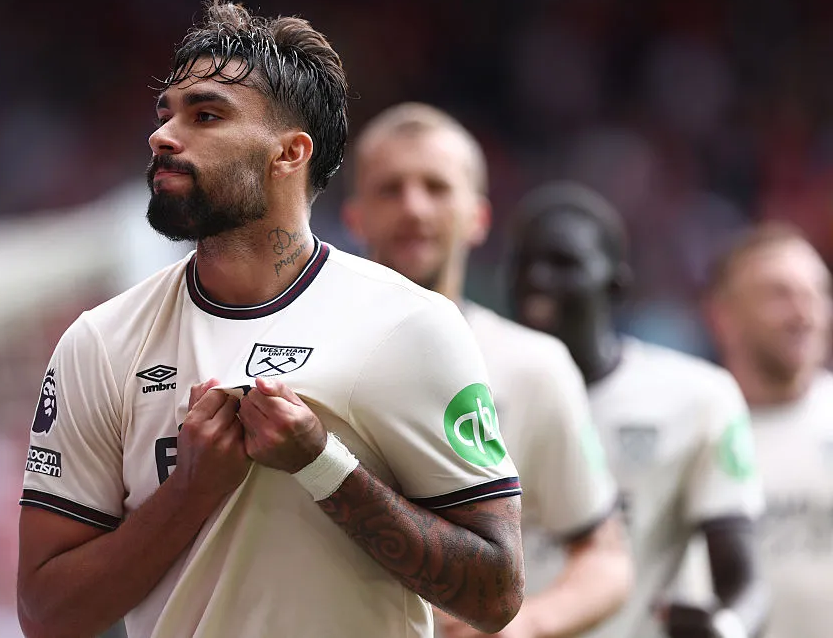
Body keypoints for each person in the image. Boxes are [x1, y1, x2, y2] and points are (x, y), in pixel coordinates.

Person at [15, 0, 525, 638]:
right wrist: (190, 491)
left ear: (289, 153)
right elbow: (46, 615)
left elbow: (495, 594)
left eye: (205, 115)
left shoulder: (410, 325)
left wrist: (322, 465)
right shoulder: (100, 341)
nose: (163, 136)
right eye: (165, 114)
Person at [343, 103, 632, 638]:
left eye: (436, 187)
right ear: (355, 216)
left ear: (478, 217)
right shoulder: (309, 353)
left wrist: (523, 625)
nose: (414, 207)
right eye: (390, 189)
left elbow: (606, 558)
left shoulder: (534, 365)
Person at [505, 182, 768, 638]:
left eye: (563, 263)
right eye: (524, 264)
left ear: (617, 286)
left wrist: (725, 628)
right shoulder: (475, 395)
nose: (538, 280)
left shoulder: (697, 397)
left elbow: (745, 579)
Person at [702, 223, 833, 638]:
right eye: (780, 295)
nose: (804, 314)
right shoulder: (693, 430)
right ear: (723, 316)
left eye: (817, 294)